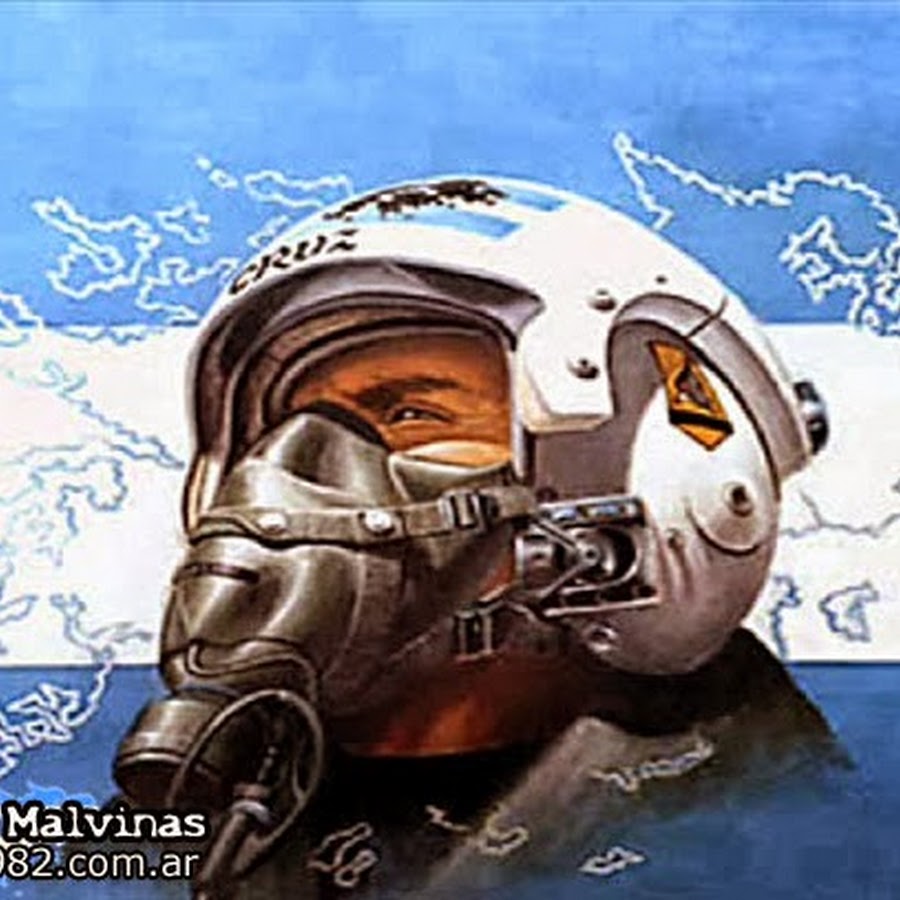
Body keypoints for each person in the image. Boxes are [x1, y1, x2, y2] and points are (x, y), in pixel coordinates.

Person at [114, 176, 839, 899]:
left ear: (651, 484)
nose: (287, 473)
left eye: (413, 416)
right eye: (280, 431)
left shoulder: (759, 838)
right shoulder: (224, 796)